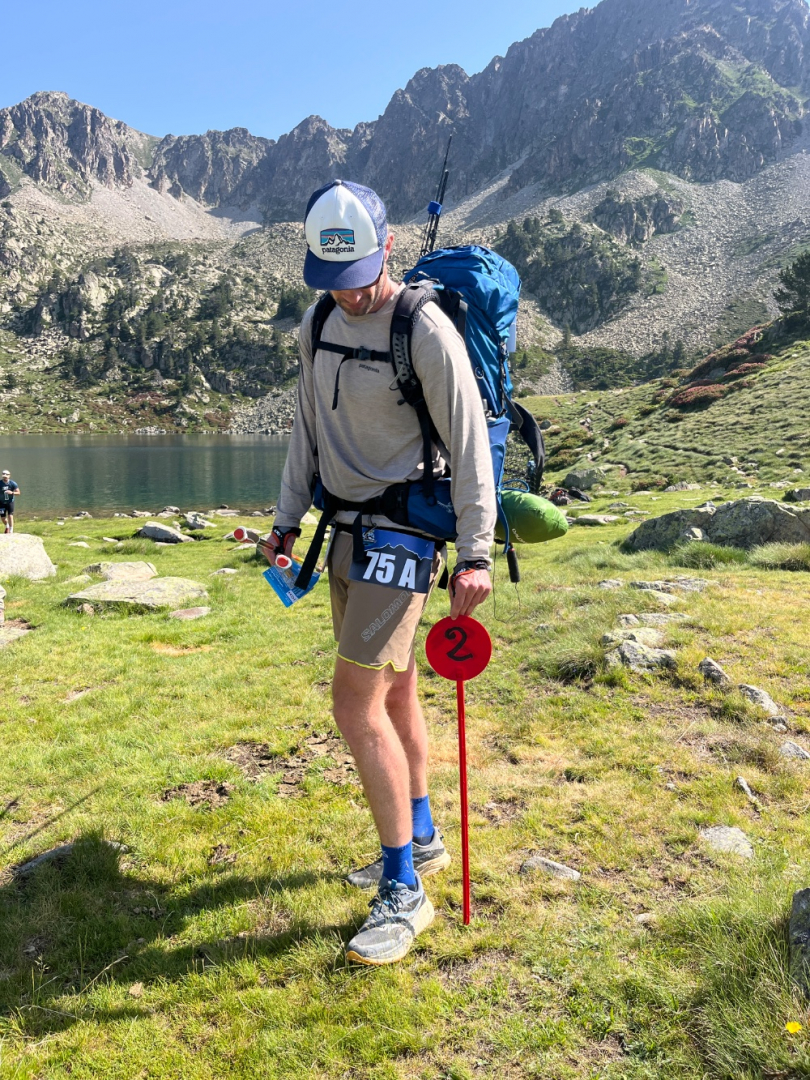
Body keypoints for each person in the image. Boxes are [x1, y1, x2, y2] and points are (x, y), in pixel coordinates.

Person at [264, 179, 496, 966]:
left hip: (405, 536)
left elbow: (469, 444)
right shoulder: (318, 321)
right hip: (344, 533)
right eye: (334, 278)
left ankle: (405, 891)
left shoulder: (422, 329)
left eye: (360, 275)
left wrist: (475, 553)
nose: (349, 292)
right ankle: (421, 838)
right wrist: (285, 519)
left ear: (387, 248)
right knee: (394, 691)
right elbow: (307, 426)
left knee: (353, 701)